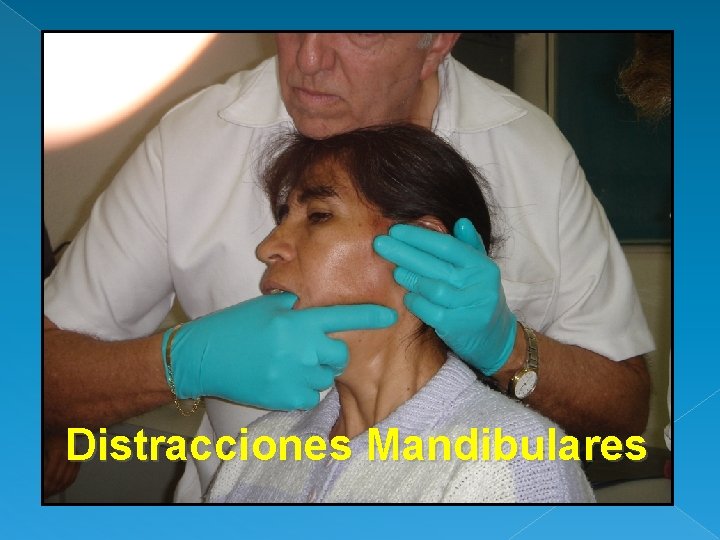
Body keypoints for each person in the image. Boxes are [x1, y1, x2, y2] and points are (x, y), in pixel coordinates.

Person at [43, 33, 653, 503]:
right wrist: (180, 363)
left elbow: (623, 424)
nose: (308, 59)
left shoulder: (531, 154)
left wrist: (511, 349)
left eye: (358, 28)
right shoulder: (194, 140)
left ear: (436, 40)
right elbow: (34, 374)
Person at [207, 123, 595, 503]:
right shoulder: (259, 449)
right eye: (281, 218)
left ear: (424, 248)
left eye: (318, 215)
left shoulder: (510, 460)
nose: (268, 248)